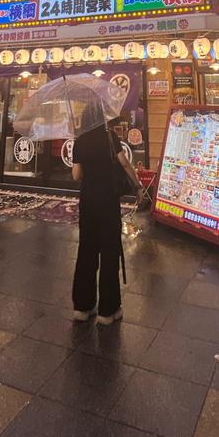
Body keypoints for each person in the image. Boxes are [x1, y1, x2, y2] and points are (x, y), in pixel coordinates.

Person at [71, 105, 142, 326]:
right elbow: (124, 162)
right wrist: (137, 185)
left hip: (88, 202)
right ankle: (107, 311)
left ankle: (83, 307)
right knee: (109, 252)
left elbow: (76, 175)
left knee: (86, 251)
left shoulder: (80, 139)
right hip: (108, 201)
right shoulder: (109, 136)